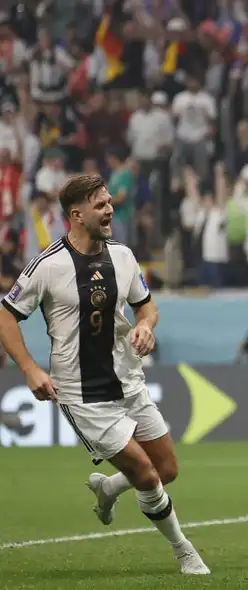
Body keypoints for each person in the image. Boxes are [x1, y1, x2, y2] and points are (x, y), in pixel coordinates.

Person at [0, 174, 209, 575]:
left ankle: (109, 486)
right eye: (100, 205)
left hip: (128, 379)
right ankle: (184, 550)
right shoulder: (48, 265)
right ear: (76, 215)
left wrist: (145, 325)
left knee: (167, 469)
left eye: (109, 202)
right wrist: (29, 368)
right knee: (146, 474)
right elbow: (6, 317)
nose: (110, 209)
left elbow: (146, 306)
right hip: (82, 393)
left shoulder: (124, 257)